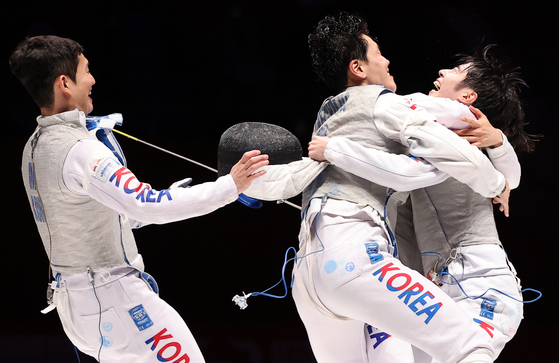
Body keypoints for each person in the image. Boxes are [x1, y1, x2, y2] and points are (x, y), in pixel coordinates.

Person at [242, 12, 510, 363]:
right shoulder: (384, 102)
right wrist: (498, 182)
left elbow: (289, 179)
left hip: (307, 281)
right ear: (359, 68)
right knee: (470, 344)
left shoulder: (329, 116)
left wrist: (239, 183)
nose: (387, 60)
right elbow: (461, 157)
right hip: (354, 258)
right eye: (378, 53)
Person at [10, 35, 269, 363]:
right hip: (114, 300)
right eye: (85, 71)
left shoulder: (33, 148)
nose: (92, 80)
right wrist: (230, 186)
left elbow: (98, 218)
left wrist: (176, 195)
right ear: (64, 83)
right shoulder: (80, 149)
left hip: (76, 307)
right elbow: (145, 204)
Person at [307, 46, 534, 362]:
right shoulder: (436, 132)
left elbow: (510, 178)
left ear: (467, 97)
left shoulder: (454, 120)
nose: (442, 72)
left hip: (481, 287)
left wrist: (336, 146)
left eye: (455, 72)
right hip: (443, 286)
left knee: (470, 354)